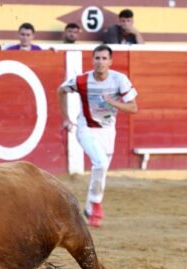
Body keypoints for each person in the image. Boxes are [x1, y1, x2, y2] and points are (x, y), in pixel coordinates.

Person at [57, 45, 138, 227]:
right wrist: (66, 119)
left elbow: (133, 108)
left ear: (110, 61)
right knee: (100, 163)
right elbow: (61, 90)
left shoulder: (119, 80)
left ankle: (88, 209)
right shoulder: (82, 81)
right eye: (97, 58)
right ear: (92, 60)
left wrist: (112, 102)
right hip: (86, 129)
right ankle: (96, 205)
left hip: (108, 132)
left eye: (104, 58)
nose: (100, 62)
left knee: (101, 170)